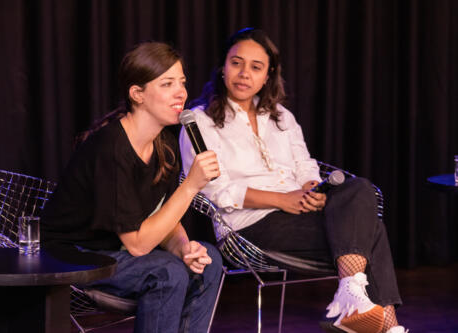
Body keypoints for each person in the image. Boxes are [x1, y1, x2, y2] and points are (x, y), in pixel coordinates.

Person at [179, 28, 407, 333]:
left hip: (301, 213)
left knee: (359, 189)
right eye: (236, 63)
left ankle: (354, 299)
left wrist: (311, 188)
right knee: (371, 231)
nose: (244, 74)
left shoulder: (281, 116)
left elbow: (305, 166)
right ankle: (375, 320)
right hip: (249, 225)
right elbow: (215, 190)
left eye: (256, 67)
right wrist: (282, 199)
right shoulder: (200, 121)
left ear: (267, 75)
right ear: (223, 67)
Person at [41, 41, 223, 333]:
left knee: (208, 260)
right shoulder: (111, 149)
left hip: (117, 248)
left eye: (182, 82)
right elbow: (138, 245)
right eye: (167, 84)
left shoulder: (164, 145)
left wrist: (184, 248)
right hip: (72, 253)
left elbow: (162, 215)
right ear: (137, 94)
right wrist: (190, 186)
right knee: (167, 273)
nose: (182, 93)